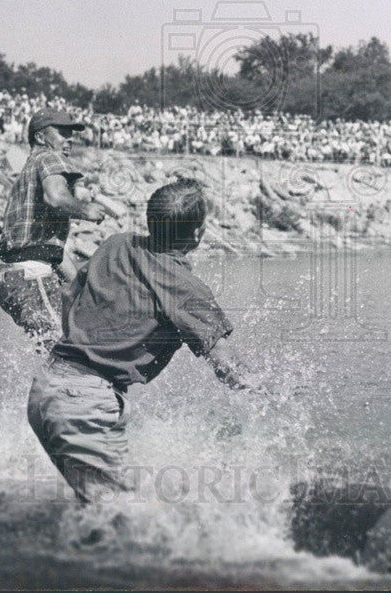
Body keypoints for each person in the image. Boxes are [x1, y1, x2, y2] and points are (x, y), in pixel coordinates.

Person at [27, 177, 258, 503]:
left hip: (45, 386)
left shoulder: (117, 244)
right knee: (121, 518)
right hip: (85, 402)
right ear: (197, 234)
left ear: (150, 221)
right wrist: (265, 389)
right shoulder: (186, 288)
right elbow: (228, 367)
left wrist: (84, 341)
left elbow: (69, 294)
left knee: (98, 510)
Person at [0, 108, 105, 343]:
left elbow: (47, 249)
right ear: (40, 138)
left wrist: (80, 288)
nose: (70, 138)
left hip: (12, 279)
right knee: (67, 350)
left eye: (71, 133)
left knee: (55, 351)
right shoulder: (49, 157)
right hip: (32, 276)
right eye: (62, 132)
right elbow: (56, 197)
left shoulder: (26, 174)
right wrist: (87, 210)